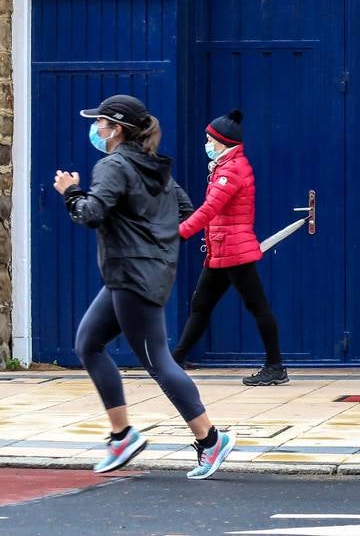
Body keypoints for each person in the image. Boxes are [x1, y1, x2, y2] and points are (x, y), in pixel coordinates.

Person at [53, 94, 237, 479]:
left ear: (116, 129)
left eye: (100, 123)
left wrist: (71, 191)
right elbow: (186, 215)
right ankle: (122, 435)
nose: (96, 129)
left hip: (133, 276)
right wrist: (154, 244)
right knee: (88, 343)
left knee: (158, 361)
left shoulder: (112, 165)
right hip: (133, 274)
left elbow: (90, 214)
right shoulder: (156, 168)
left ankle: (210, 440)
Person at [170, 109, 288, 386]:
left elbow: (210, 209)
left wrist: (181, 234)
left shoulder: (232, 170)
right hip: (222, 250)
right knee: (201, 304)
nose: (207, 145)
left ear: (223, 142)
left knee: (257, 306)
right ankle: (175, 361)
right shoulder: (225, 166)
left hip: (235, 251)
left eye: (209, 141)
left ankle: (275, 366)